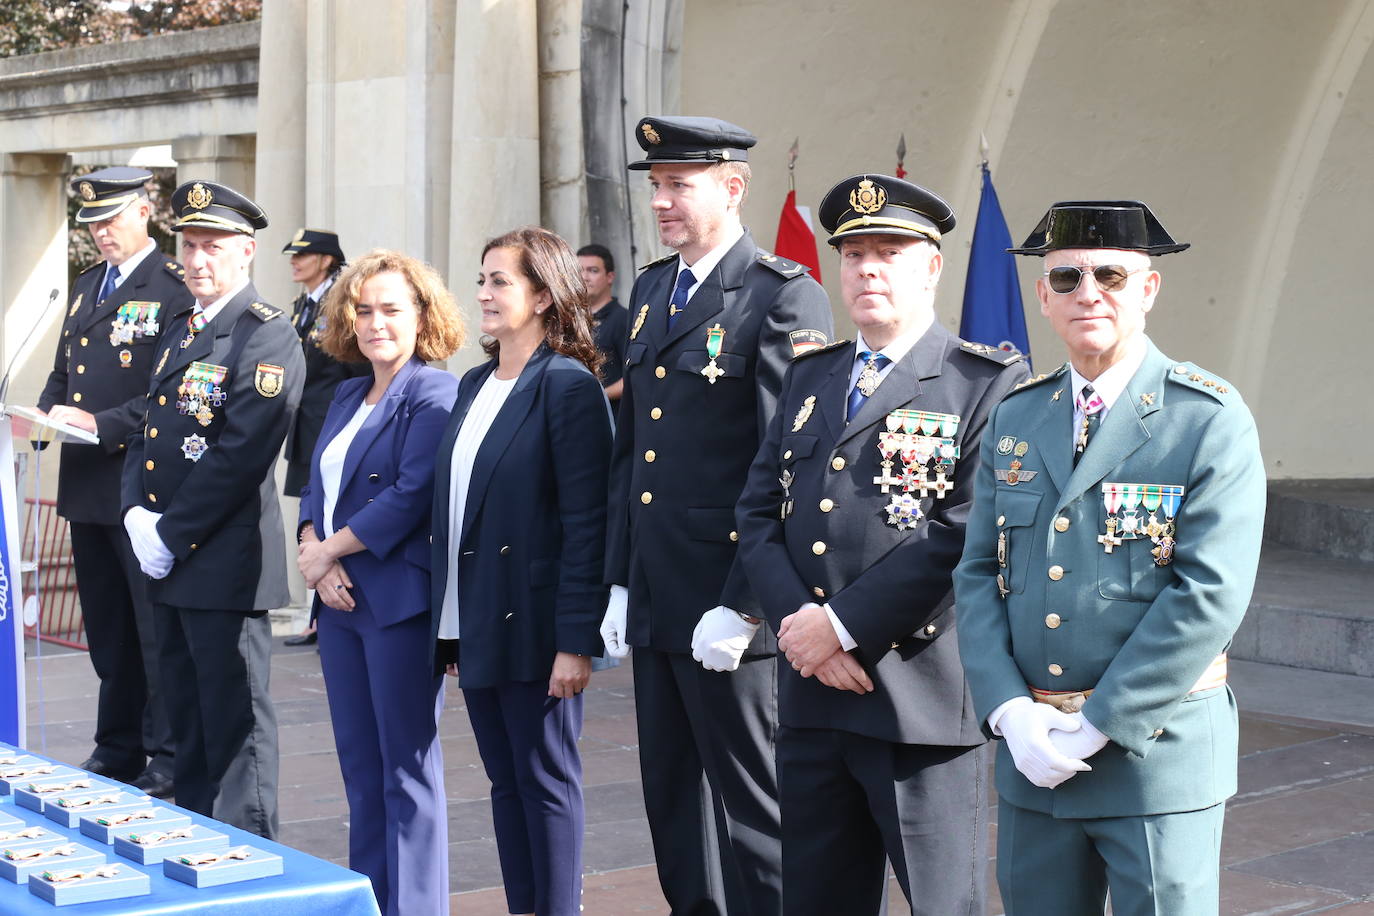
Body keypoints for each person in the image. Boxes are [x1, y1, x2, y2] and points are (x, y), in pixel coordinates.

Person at [953, 201, 1266, 916]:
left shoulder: (1205, 417)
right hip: (1035, 757)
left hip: (1153, 757)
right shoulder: (1017, 415)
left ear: (1148, 289)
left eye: (1111, 276)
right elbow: (977, 574)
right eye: (1067, 278)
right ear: (1043, 296)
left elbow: (1209, 594)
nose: (1087, 293)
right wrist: (1008, 710)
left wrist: (1100, 721)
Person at [735, 173, 1028, 914]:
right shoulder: (812, 376)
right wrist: (803, 628)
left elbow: (964, 530)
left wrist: (840, 627)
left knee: (941, 904)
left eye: (889, 252)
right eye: (854, 254)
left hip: (915, 699)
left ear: (932, 267)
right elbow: (759, 512)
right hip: (813, 695)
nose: (868, 269)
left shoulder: (983, 382)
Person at [598, 115, 834, 915]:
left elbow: (789, 461)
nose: (661, 201)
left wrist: (745, 604)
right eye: (657, 186)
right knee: (672, 803)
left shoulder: (781, 294)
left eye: (680, 185)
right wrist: (619, 581)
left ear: (732, 188)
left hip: (729, 601)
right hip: (657, 594)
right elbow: (633, 453)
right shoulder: (650, 290)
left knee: (755, 813)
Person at [432, 227, 610, 916]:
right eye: (481, 279)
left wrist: (575, 640)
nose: (483, 292)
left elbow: (587, 524)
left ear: (542, 296)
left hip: (535, 624)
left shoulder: (567, 386)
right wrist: (452, 627)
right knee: (505, 783)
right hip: (478, 617)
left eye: (499, 281)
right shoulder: (474, 383)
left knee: (545, 782)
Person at [121, 179, 304, 838]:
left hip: (224, 565)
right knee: (188, 724)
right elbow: (148, 431)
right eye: (190, 245)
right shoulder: (182, 328)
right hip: (170, 563)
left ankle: (249, 863)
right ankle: (199, 844)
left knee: (235, 731)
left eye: (213, 247)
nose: (197, 260)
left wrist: (169, 532)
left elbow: (241, 454)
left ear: (246, 251)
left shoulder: (265, 336)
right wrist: (134, 515)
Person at [297, 249, 463, 916]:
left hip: (396, 603)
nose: (375, 323)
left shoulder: (435, 393)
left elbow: (410, 493)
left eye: (391, 309)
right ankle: (371, 904)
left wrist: (324, 552)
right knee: (361, 771)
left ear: (423, 315)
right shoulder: (346, 393)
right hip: (339, 602)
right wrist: (314, 548)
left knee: (406, 770)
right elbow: (316, 486)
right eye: (363, 311)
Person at [36, 166, 188, 798]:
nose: (101, 233)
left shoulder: (174, 286)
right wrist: (39, 417)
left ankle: (168, 753)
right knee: (106, 631)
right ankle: (117, 745)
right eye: (93, 223)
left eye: (112, 219)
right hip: (84, 485)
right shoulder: (84, 285)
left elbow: (168, 391)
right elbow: (62, 372)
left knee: (152, 631)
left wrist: (99, 424)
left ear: (145, 211)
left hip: (137, 484)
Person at [281, 228, 369, 648]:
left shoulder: (342, 300)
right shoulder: (305, 303)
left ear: (327, 259)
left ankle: (336, 606)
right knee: (311, 516)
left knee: (336, 514)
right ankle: (317, 613)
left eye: (304, 254)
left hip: (334, 424)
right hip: (308, 425)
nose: (295, 261)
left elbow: (357, 369)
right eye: (293, 255)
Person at [577, 243, 628, 407]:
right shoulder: (570, 320)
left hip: (611, 414)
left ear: (610, 277)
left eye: (593, 271)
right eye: (579, 271)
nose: (585, 277)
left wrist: (598, 395)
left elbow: (636, 375)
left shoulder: (624, 319)